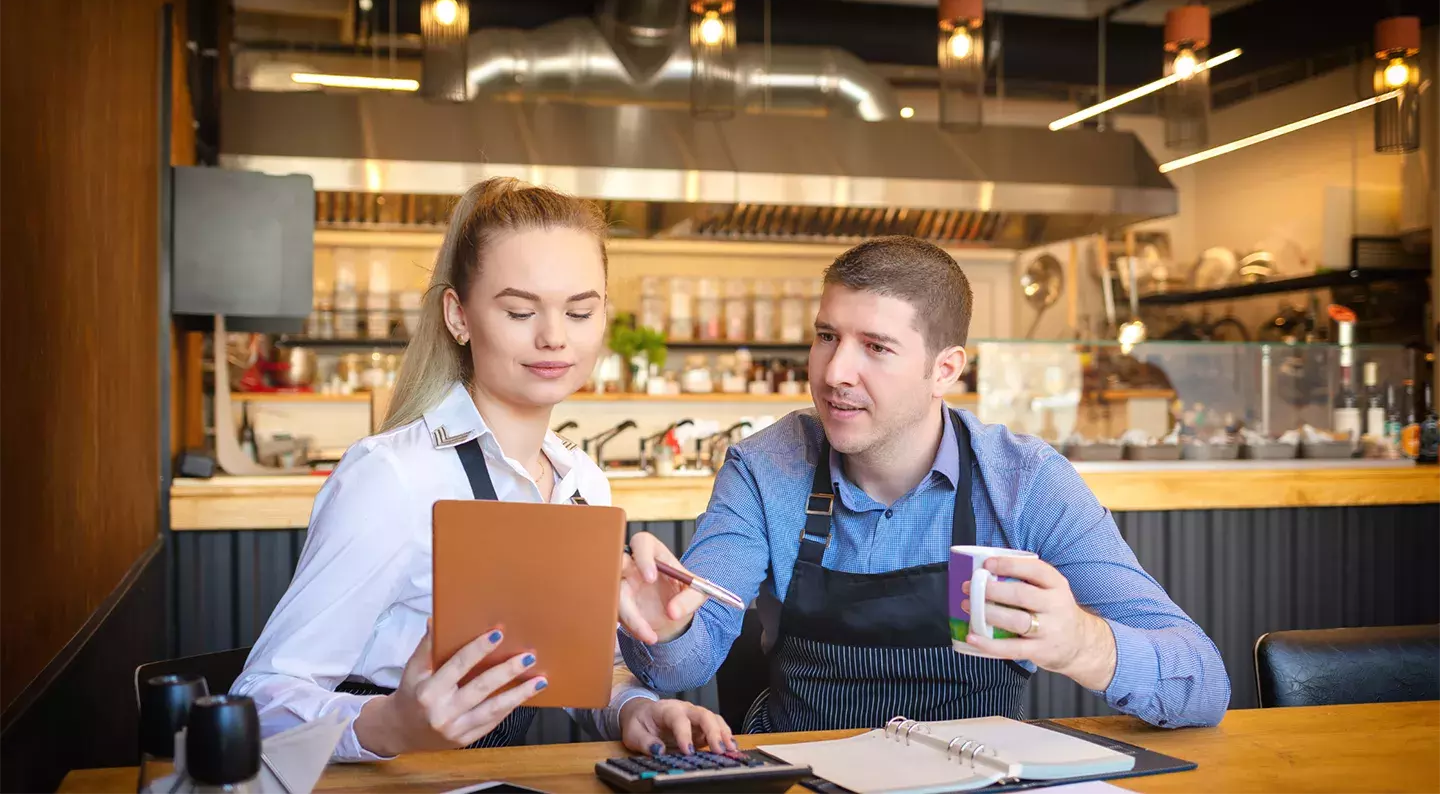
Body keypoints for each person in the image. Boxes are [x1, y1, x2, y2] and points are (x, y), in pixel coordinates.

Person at [619, 236, 1230, 733]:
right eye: (826, 336)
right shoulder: (766, 467)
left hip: (974, 781)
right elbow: (684, 663)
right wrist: (665, 625)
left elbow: (1203, 682)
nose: (834, 372)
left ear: (945, 369)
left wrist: (1082, 646)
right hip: (802, 775)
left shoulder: (1024, 482)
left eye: (876, 347)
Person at [233, 178, 732, 761]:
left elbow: (570, 669)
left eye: (579, 311)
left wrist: (637, 707)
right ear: (458, 316)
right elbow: (260, 701)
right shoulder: (393, 477)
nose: (553, 337)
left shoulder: (581, 483)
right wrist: (393, 725)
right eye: (521, 310)